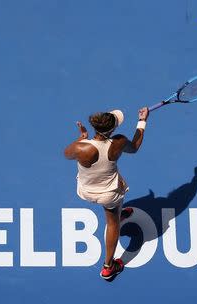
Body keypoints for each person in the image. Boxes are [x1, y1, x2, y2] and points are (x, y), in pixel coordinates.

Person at [64, 107, 149, 279]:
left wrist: (82, 139)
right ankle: (108, 267)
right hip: (109, 194)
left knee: (115, 208)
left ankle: (118, 214)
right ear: (112, 130)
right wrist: (142, 120)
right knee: (113, 223)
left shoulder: (81, 148)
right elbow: (135, 147)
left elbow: (67, 154)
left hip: (86, 191)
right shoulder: (119, 142)